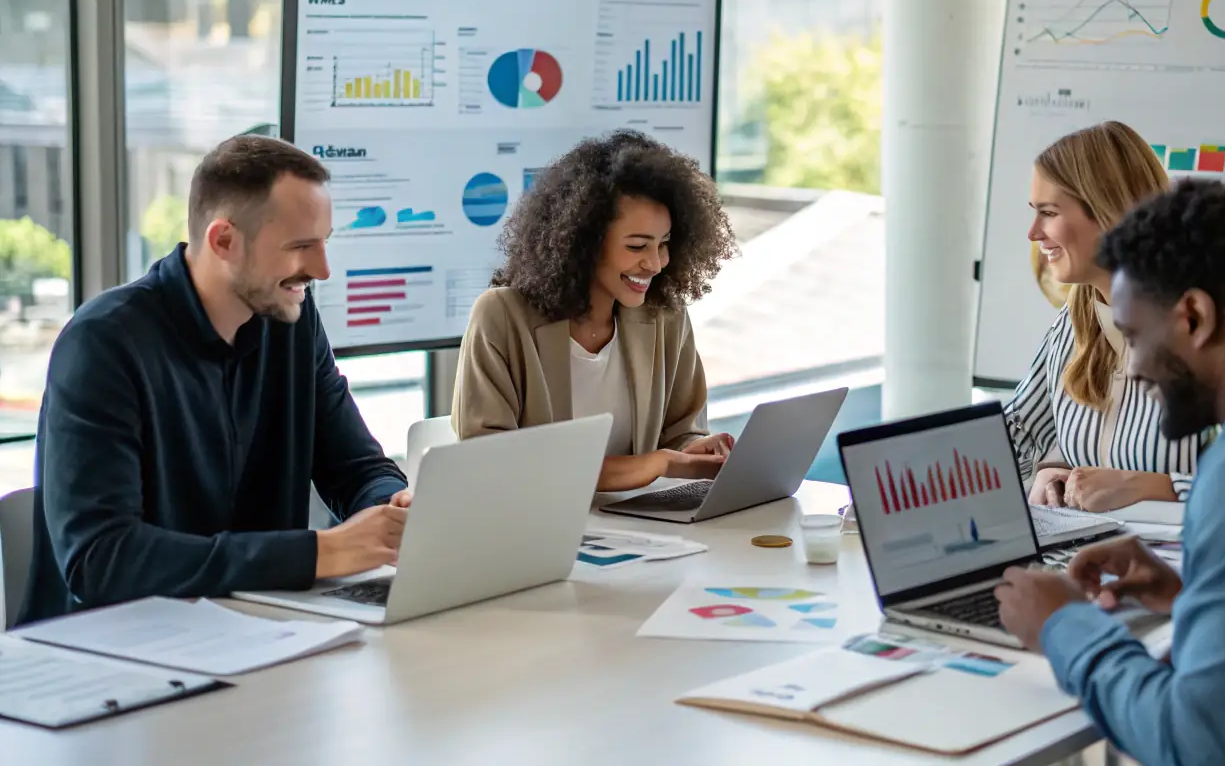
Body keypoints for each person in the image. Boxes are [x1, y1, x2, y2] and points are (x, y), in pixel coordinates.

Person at [994, 179, 1225, 765]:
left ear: (1194, 316)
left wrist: (1064, 626)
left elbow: (1200, 749)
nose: (1134, 368)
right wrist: (1196, 597)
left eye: (1136, 336)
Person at [19, 136, 410, 624]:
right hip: (108, 656)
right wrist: (321, 553)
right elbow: (102, 559)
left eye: (325, 242)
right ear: (223, 240)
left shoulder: (291, 322)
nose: (322, 269)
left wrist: (392, 509)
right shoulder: (102, 343)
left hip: (258, 634)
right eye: (300, 246)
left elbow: (358, 467)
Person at [453, 130, 739, 491]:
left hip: (639, 529)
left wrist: (694, 452)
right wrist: (656, 463)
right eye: (637, 246)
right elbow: (491, 461)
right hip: (535, 528)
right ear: (584, 242)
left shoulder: (666, 317)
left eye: (664, 244)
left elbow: (680, 432)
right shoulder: (502, 317)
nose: (655, 263)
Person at [1006, 121, 1213, 512]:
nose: (1034, 233)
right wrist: (1048, 472)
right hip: (1094, 560)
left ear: (1108, 214)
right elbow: (1015, 436)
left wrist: (1153, 487)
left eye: (1048, 213)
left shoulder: (1207, 329)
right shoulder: (1075, 320)